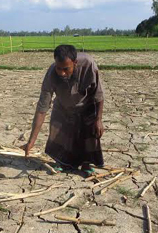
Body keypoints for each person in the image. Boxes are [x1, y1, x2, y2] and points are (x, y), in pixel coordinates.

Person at [22, 45, 104, 176]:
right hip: (63, 106)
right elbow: (42, 108)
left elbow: (98, 95)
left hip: (86, 105)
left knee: (88, 134)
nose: (61, 73)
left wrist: (98, 120)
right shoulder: (51, 75)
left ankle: (86, 163)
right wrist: (31, 140)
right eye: (58, 68)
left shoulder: (89, 65)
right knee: (58, 132)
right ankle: (61, 162)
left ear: (75, 63)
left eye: (66, 69)